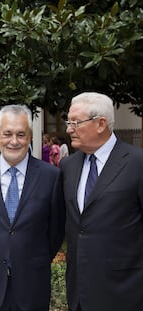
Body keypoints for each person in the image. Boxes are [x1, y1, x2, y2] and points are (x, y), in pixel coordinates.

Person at [0, 105, 65, 311]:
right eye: (7, 134)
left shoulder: (51, 177)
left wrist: (30, 257)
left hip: (33, 285)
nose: (14, 141)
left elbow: (56, 231)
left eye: (21, 134)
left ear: (30, 136)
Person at [60, 92, 143, 311]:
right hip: (79, 293)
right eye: (68, 122)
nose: (69, 129)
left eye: (75, 122)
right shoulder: (68, 166)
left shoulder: (137, 163)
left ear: (101, 124)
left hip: (126, 293)